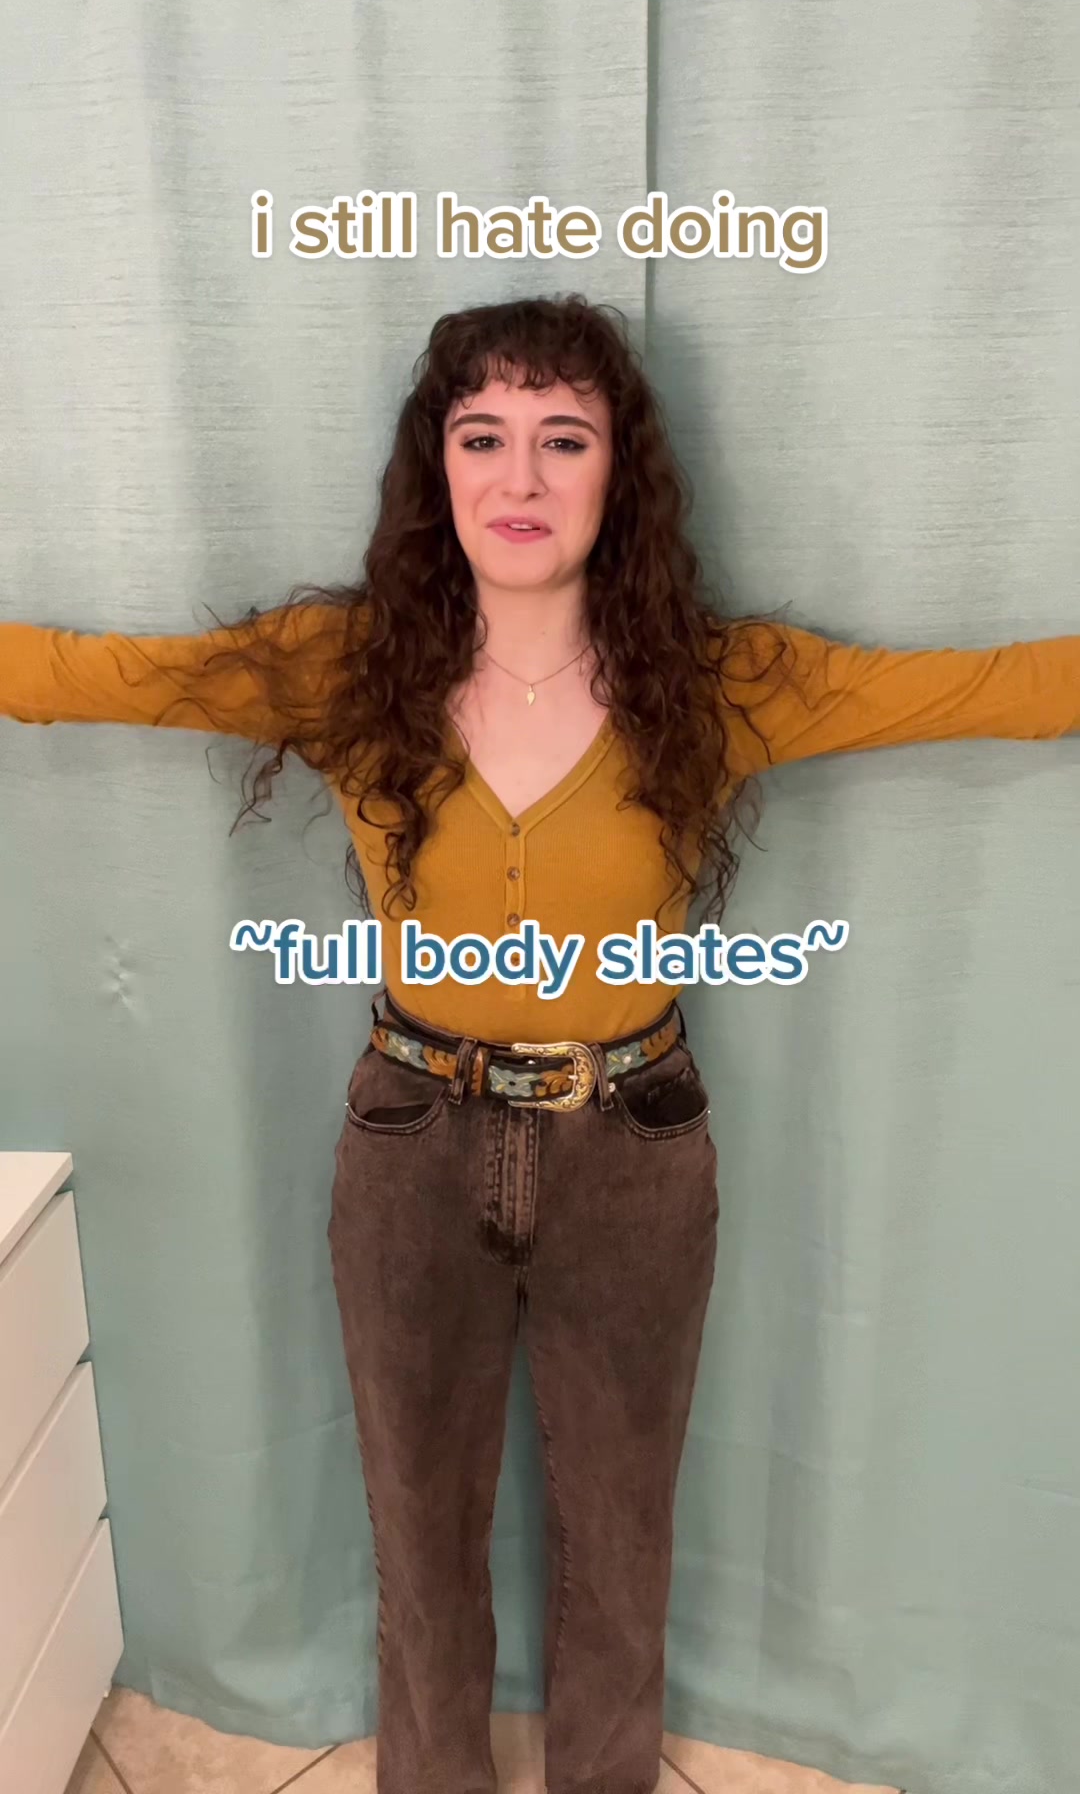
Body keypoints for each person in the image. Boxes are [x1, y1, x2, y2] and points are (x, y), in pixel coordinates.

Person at [1, 293, 1077, 1794]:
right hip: (408, 1144)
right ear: (434, 467)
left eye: (564, 439)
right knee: (419, 1537)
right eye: (483, 436)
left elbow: (997, 691)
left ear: (619, 471)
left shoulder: (716, 678)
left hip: (636, 1152)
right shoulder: (348, 667)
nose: (520, 477)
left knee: (623, 1542)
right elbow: (88, 674)